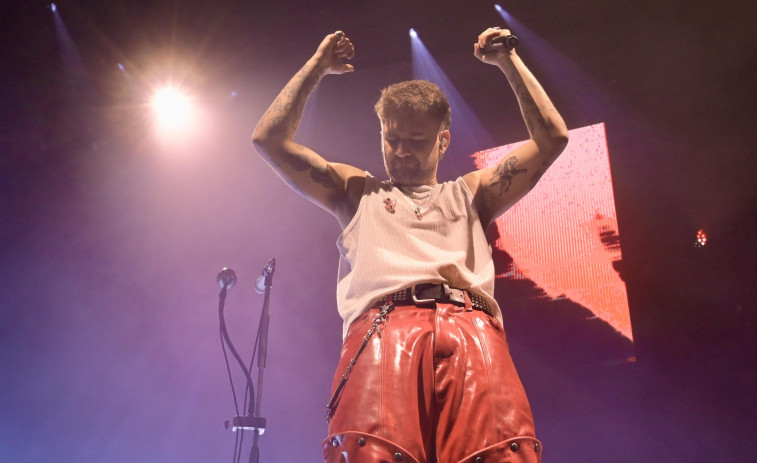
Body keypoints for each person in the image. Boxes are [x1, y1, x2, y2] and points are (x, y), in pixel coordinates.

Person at [253, 27, 568, 463]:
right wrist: (317, 68)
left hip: (471, 327)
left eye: (416, 141)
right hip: (383, 329)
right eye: (391, 139)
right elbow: (268, 141)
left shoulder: (471, 193)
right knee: (371, 454)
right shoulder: (355, 191)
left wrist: (507, 63)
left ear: (443, 139)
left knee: (501, 455)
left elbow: (553, 138)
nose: (400, 151)